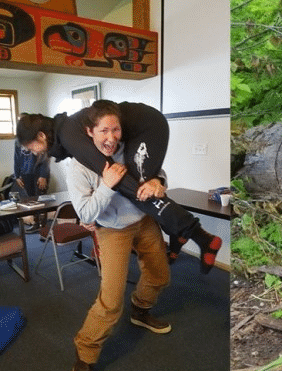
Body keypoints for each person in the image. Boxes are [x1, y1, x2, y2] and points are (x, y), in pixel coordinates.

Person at [16, 100, 221, 273]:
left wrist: (155, 182)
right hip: (144, 127)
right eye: (103, 131)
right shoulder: (68, 132)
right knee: (137, 186)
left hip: (149, 126)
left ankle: (200, 236)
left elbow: (111, 173)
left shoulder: (69, 136)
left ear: (41, 136)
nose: (33, 152)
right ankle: (181, 233)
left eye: (31, 147)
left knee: (135, 188)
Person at [67, 106, 171, 371]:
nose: (111, 138)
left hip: (143, 219)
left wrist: (158, 181)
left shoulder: (130, 147)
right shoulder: (79, 166)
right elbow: (86, 213)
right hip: (112, 229)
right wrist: (108, 186)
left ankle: (141, 310)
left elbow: (156, 170)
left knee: (160, 275)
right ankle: (83, 360)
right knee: (111, 301)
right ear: (89, 132)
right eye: (103, 131)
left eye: (115, 130)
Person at [12, 140, 49, 231]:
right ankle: (35, 223)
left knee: (40, 200)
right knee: (31, 200)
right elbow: (16, 158)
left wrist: (43, 175)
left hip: (39, 175)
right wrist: (17, 176)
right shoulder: (18, 142)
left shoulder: (36, 137)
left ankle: (43, 227)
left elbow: (45, 156)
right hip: (25, 174)